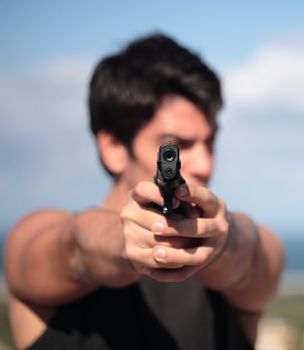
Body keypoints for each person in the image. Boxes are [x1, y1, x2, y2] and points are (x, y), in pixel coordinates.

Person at [4, 33, 285, 350]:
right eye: (179, 145)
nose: (205, 163)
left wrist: (221, 242)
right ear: (114, 147)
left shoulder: (234, 265)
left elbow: (252, 254)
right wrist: (127, 243)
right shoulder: (39, 239)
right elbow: (76, 246)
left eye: (210, 142)